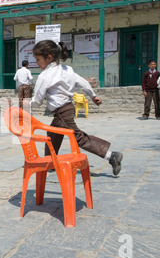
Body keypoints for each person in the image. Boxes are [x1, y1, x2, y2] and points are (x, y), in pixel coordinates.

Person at [26, 40, 123, 176]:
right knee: (52, 135)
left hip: (61, 112)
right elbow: (82, 83)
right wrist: (93, 95)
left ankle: (111, 155)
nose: (36, 63)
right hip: (65, 110)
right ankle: (50, 163)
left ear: (48, 57)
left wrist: (24, 104)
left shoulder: (45, 76)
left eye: (37, 59)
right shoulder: (67, 70)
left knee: (78, 138)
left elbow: (37, 100)